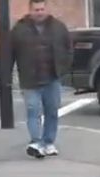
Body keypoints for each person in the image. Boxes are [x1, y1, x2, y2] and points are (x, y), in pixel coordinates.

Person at [11, 0, 73, 159]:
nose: (39, 12)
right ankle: (36, 142)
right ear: (30, 10)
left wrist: (64, 68)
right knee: (33, 111)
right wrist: (7, 76)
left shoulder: (58, 27)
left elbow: (68, 47)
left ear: (46, 9)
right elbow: (9, 53)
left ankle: (49, 142)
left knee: (52, 111)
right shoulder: (19, 29)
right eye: (36, 9)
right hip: (29, 79)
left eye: (42, 9)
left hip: (52, 78)